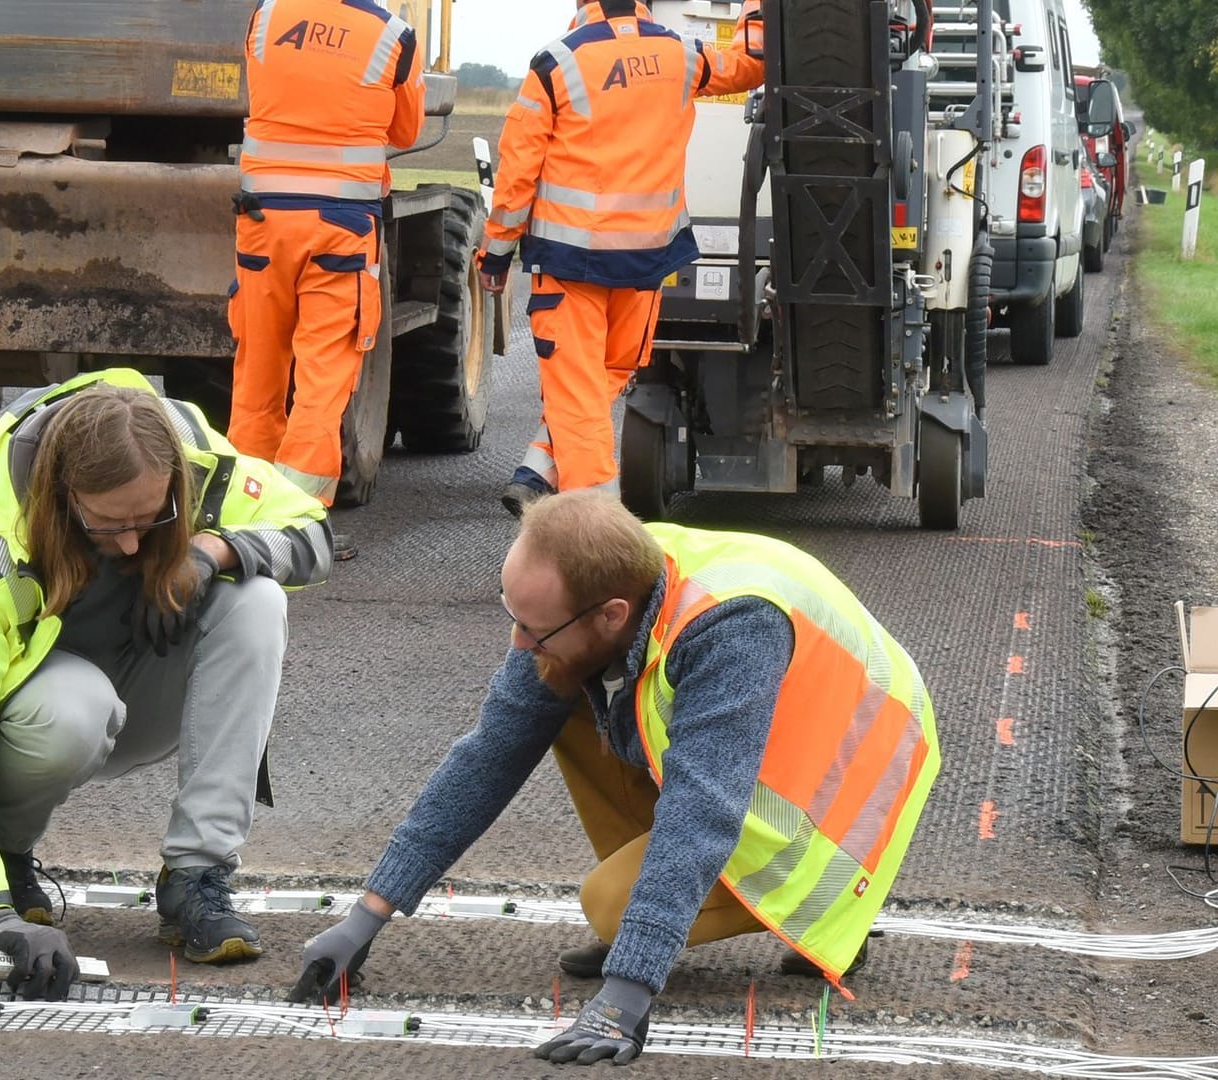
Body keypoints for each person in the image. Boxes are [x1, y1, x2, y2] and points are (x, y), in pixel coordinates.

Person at [290, 489, 940, 1066]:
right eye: (512, 616)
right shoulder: (604, 574)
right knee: (556, 688)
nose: (518, 642)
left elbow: (702, 810)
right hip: (760, 757)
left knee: (609, 905)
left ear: (610, 613)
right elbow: (489, 754)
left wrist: (627, 990)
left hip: (841, 815)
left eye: (533, 627)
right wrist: (367, 914)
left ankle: (834, 918)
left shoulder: (732, 628)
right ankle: (661, 911)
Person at [0, 369, 333, 1001]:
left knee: (257, 599)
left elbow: (314, 530)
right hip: (38, 727)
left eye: (150, 519)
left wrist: (210, 552)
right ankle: (10, 861)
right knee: (76, 708)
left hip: (140, 693)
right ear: (62, 495)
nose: (130, 543)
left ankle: (196, 876)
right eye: (107, 524)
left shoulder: (190, 456)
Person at [480, 0, 765, 517]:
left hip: (571, 263)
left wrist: (497, 252)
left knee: (578, 392)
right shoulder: (681, 54)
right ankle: (541, 466)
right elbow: (749, 63)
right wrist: (757, 10)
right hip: (647, 262)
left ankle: (598, 537)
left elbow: (517, 169)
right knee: (602, 376)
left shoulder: (558, 62)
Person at [228, 0, 428, 554]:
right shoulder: (392, 34)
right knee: (321, 380)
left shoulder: (266, 16)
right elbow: (405, 130)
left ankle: (241, 515)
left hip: (263, 220)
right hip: (340, 227)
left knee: (258, 372)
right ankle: (292, 526)